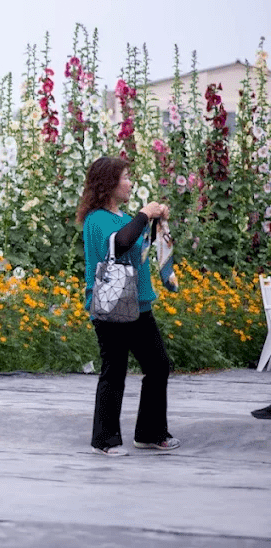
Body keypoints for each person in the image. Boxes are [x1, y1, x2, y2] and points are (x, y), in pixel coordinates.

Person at [78, 156, 181, 455]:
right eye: (125, 177)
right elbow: (119, 244)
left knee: (158, 366)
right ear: (108, 183)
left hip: (139, 306)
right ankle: (104, 440)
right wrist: (144, 214)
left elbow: (139, 246)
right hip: (111, 307)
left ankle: (149, 433)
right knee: (115, 371)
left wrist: (157, 221)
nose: (130, 183)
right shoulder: (97, 219)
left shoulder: (124, 218)